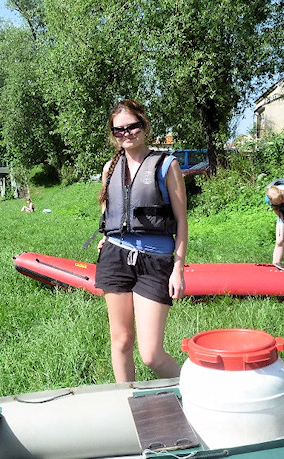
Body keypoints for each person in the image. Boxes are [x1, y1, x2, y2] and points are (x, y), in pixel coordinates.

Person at [94, 99, 188, 383]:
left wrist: (179, 269)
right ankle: (126, 403)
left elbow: (182, 221)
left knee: (151, 355)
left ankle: (197, 391)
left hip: (155, 261)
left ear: (144, 126)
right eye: (119, 130)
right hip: (115, 257)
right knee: (121, 341)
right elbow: (108, 209)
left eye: (132, 126)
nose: (126, 134)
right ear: (113, 133)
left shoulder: (166, 165)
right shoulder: (110, 167)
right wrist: (106, 238)